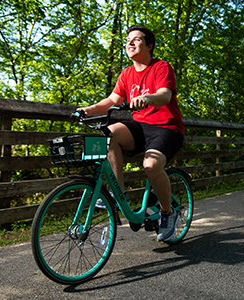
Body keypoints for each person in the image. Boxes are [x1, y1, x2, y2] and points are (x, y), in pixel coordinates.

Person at [78, 25, 184, 242]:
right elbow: (111, 101)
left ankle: (167, 213)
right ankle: (118, 195)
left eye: (136, 40)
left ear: (149, 46)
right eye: (128, 40)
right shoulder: (126, 74)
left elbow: (164, 95)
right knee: (110, 132)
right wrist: (88, 109)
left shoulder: (161, 67)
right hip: (141, 128)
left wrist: (147, 98)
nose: (130, 43)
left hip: (167, 128)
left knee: (150, 166)